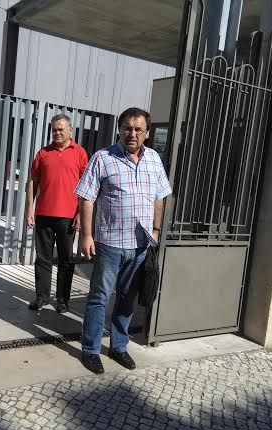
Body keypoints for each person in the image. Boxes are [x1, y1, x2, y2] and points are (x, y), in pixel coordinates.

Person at [75, 107, 172, 374]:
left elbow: (160, 196)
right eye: (127, 128)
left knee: (127, 299)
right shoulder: (102, 158)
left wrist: (156, 230)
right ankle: (90, 350)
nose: (132, 133)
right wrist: (86, 235)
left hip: (141, 244)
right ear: (119, 129)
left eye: (138, 129)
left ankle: (118, 346)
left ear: (147, 133)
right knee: (99, 297)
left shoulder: (154, 159)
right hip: (110, 243)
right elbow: (86, 197)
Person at [26, 114, 88, 313]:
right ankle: (42, 297)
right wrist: (30, 209)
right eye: (54, 129)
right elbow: (33, 181)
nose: (57, 132)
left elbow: (85, 187)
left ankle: (62, 299)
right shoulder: (43, 153)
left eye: (61, 129)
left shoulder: (80, 153)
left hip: (68, 217)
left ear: (70, 130)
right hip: (43, 213)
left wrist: (80, 214)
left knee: (65, 260)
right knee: (42, 258)